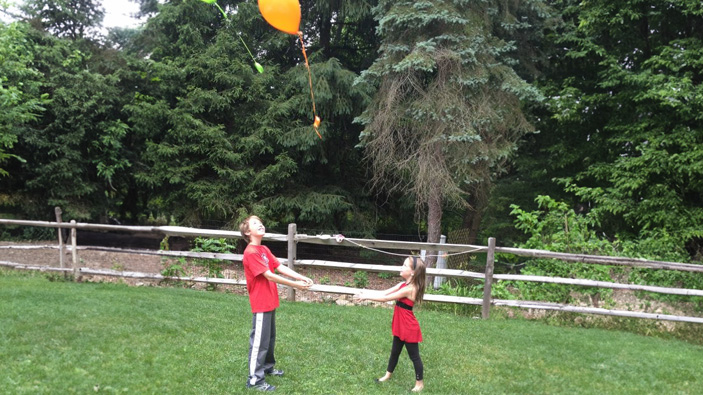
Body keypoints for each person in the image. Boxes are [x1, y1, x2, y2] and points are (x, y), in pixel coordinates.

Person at [239, 215, 314, 392]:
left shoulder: (264, 249)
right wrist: (296, 285)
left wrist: (301, 276)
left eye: (261, 222)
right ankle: (255, 379)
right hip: (260, 303)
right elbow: (269, 275)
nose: (261, 225)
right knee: (259, 341)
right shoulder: (251, 252)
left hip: (270, 301)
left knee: (269, 339)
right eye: (256, 224)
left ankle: (267, 368)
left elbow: (279, 267)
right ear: (248, 232)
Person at [354, 256, 426, 392]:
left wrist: (365, 297)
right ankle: (387, 375)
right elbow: (383, 292)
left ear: (413, 272)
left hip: (409, 327)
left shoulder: (410, 288)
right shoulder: (402, 285)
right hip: (400, 324)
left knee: (414, 356)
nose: (401, 267)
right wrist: (365, 292)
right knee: (394, 352)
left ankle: (419, 383)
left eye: (405, 265)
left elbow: (386, 298)